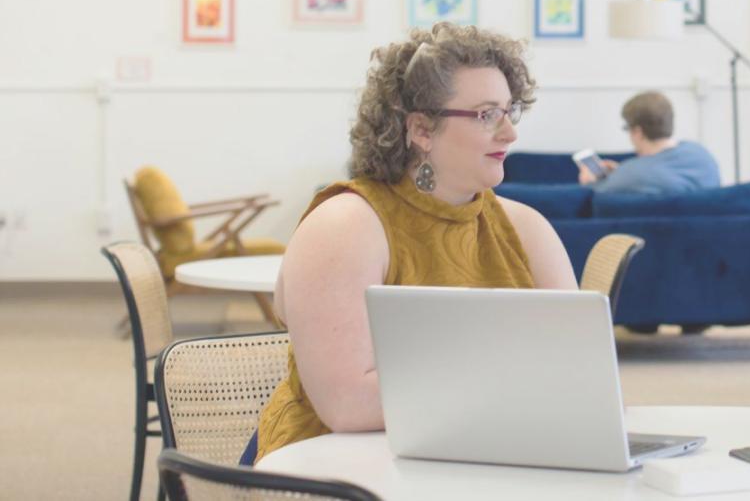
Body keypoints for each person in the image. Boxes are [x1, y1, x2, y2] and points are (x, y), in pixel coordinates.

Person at [251, 23, 577, 461]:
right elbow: (346, 405)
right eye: (486, 114)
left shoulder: (528, 229)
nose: (509, 134)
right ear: (422, 129)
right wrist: (517, 387)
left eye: (509, 111)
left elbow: (578, 376)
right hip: (336, 466)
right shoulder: (345, 225)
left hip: (483, 455)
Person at [577, 91, 720, 195]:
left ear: (638, 132)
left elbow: (597, 194)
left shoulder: (631, 174)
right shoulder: (701, 154)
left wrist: (588, 183)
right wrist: (620, 171)